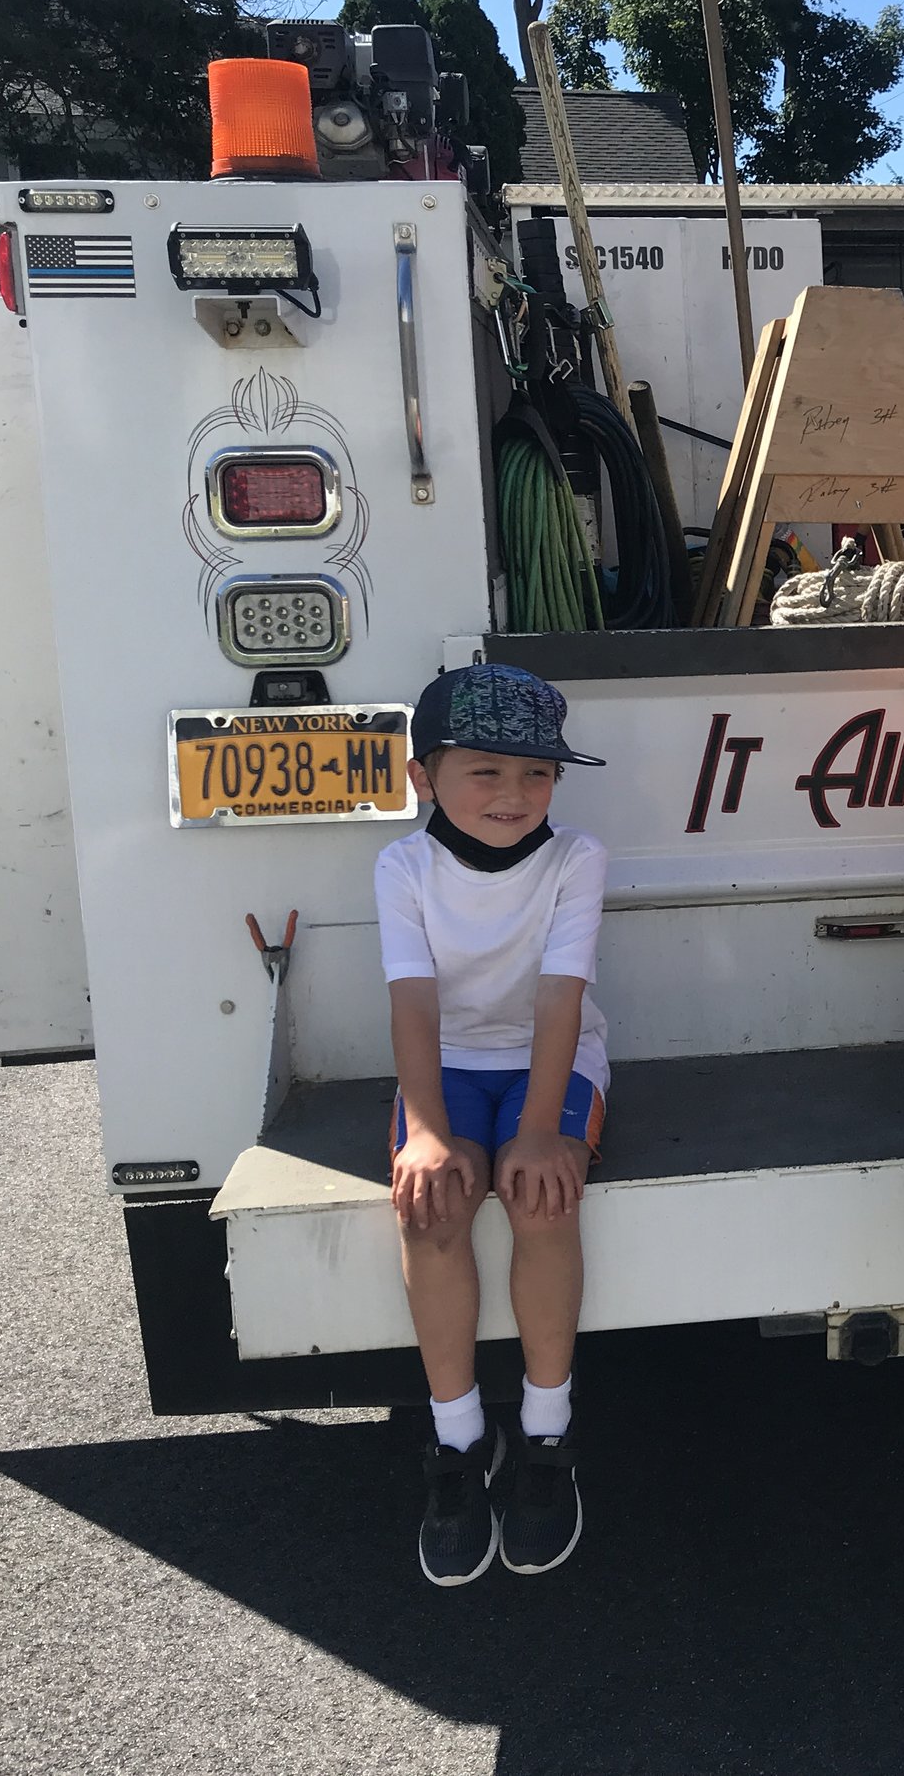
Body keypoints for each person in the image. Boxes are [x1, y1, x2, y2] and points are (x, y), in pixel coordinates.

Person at [377, 663, 610, 1587]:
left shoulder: (577, 858)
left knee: (541, 1196)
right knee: (430, 1206)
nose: (515, 794)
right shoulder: (401, 866)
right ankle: (459, 1445)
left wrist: (544, 1130)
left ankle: (547, 1437)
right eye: (486, 771)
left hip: (554, 1061)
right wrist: (429, 1136)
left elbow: (561, 1003)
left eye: (537, 773)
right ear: (421, 777)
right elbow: (412, 1010)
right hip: (448, 1068)